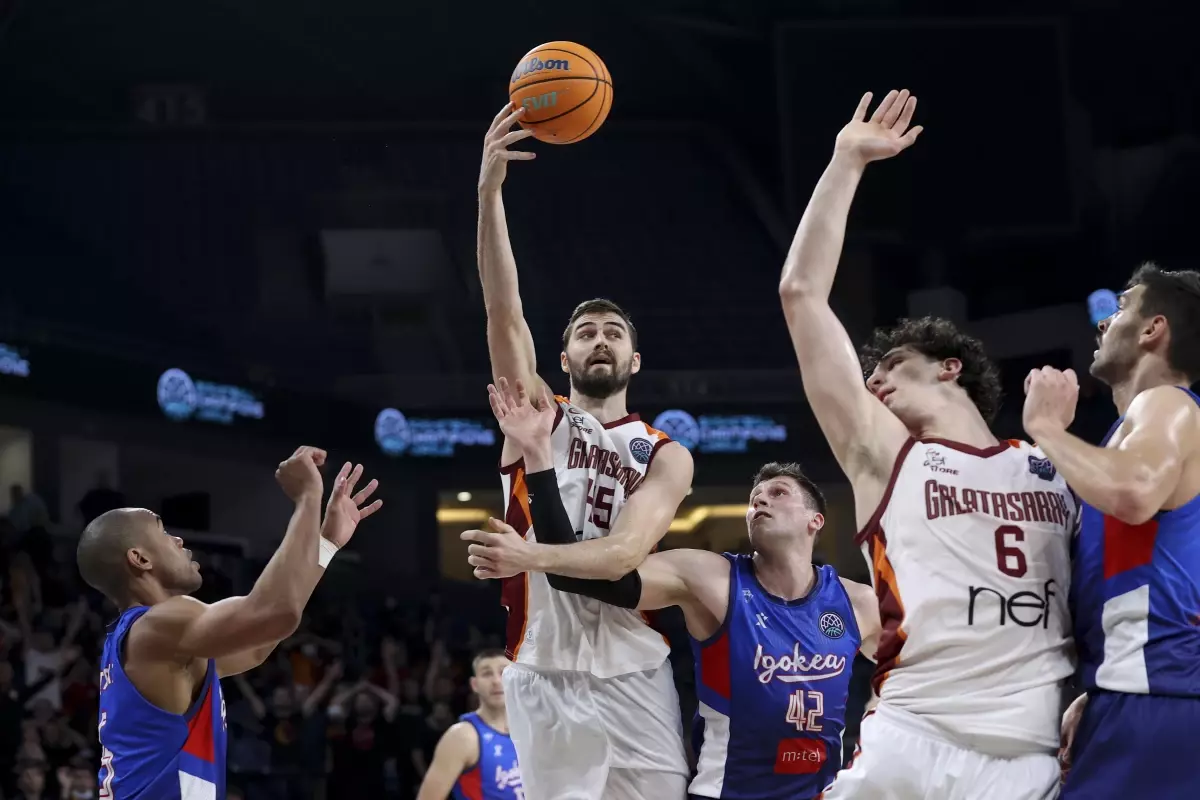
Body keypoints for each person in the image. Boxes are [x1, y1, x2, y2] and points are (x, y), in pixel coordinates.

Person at [777, 89, 1076, 799]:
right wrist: (846, 163)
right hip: (914, 735)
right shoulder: (888, 452)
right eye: (869, 372)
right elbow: (801, 295)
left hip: (1030, 752)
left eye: (892, 368)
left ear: (950, 368)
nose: (872, 382)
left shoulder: (1052, 462)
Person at [474, 381, 881, 800]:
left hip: (822, 792)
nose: (759, 502)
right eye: (754, 498)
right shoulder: (709, 576)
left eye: (777, 494)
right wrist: (534, 546)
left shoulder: (858, 602)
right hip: (725, 792)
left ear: (816, 521)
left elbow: (912, 677)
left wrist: (875, 739)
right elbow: (581, 578)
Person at [466, 103, 692, 799]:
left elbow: (625, 557)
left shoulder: (665, 454)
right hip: (542, 671)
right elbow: (504, 312)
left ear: (635, 357)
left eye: (613, 332)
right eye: (587, 331)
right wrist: (489, 195)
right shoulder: (538, 415)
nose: (600, 338)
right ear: (561, 356)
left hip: (634, 668)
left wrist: (530, 555)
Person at [76, 447, 381, 799]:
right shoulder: (157, 625)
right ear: (140, 558)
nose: (179, 539)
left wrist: (324, 544)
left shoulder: (157, 642)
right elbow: (273, 612)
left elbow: (260, 641)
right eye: (163, 532)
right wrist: (307, 499)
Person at [1022, 264, 1200, 797]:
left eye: (1122, 307)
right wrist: (1100, 686)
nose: (1104, 323)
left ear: (1154, 329)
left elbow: (1134, 492)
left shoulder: (1166, 403)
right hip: (1140, 698)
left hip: (1161, 705)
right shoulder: (1130, 436)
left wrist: (1046, 427)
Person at [416, 649, 522, 800]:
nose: (496, 681)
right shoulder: (462, 736)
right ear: (474, 684)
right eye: (487, 674)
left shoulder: (532, 731)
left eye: (503, 672)